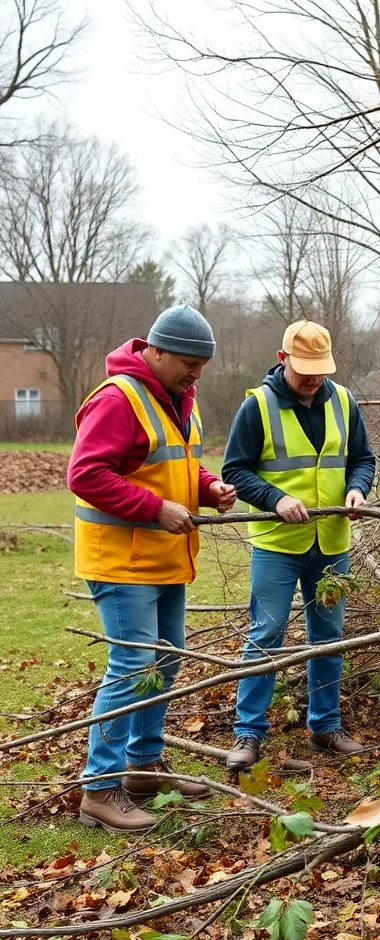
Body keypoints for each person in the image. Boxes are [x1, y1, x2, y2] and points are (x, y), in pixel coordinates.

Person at [68, 304, 237, 833]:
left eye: (202, 364)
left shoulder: (180, 397)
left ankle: (143, 767)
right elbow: (85, 474)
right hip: (123, 561)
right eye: (189, 362)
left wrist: (207, 487)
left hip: (165, 559)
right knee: (133, 668)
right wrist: (154, 508)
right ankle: (99, 788)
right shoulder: (119, 399)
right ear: (155, 351)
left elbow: (179, 463)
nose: (197, 372)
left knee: (163, 666)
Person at [221, 320, 376, 770]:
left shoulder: (344, 401)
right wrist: (276, 498)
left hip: (331, 542)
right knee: (266, 636)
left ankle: (325, 727)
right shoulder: (258, 406)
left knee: (328, 637)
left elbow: (363, 459)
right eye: (304, 368)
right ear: (282, 357)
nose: (312, 379)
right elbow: (234, 471)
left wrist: (358, 489)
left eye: (319, 370)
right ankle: (248, 735)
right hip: (277, 545)